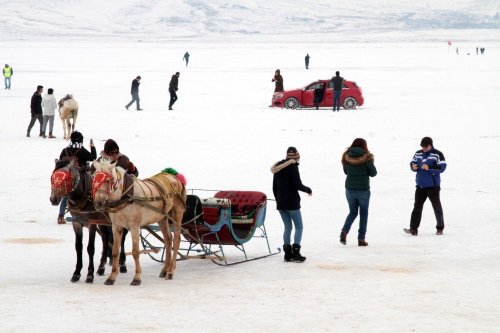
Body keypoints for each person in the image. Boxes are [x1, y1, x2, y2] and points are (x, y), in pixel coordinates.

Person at [271, 146, 312, 263]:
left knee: (287, 227)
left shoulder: (277, 168)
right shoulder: (293, 167)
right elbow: (297, 185)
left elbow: (274, 187)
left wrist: (278, 199)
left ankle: (287, 254)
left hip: (281, 203)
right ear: (296, 158)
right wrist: (308, 190)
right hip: (292, 203)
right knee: (299, 227)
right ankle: (296, 252)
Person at [405, 137, 447, 236]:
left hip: (433, 186)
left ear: (430, 145)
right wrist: (413, 166)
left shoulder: (438, 154)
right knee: (417, 207)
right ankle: (413, 229)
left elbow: (442, 167)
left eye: (425, 147)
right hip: (420, 186)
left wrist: (429, 167)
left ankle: (440, 228)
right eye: (422, 147)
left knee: (436, 207)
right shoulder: (418, 153)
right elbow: (412, 162)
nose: (423, 148)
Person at [340, 138, 377, 246]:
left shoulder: (346, 156)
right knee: (363, 214)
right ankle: (361, 239)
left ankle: (344, 231)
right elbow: (373, 173)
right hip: (363, 190)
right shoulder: (367, 157)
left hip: (349, 189)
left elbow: (346, 171)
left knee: (352, 212)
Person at [57, 131, 97, 224]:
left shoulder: (65, 150)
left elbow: (60, 162)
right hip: (81, 178)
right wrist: (92, 147)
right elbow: (93, 157)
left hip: (67, 178)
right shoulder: (81, 150)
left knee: (67, 195)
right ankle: (87, 213)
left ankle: (61, 216)